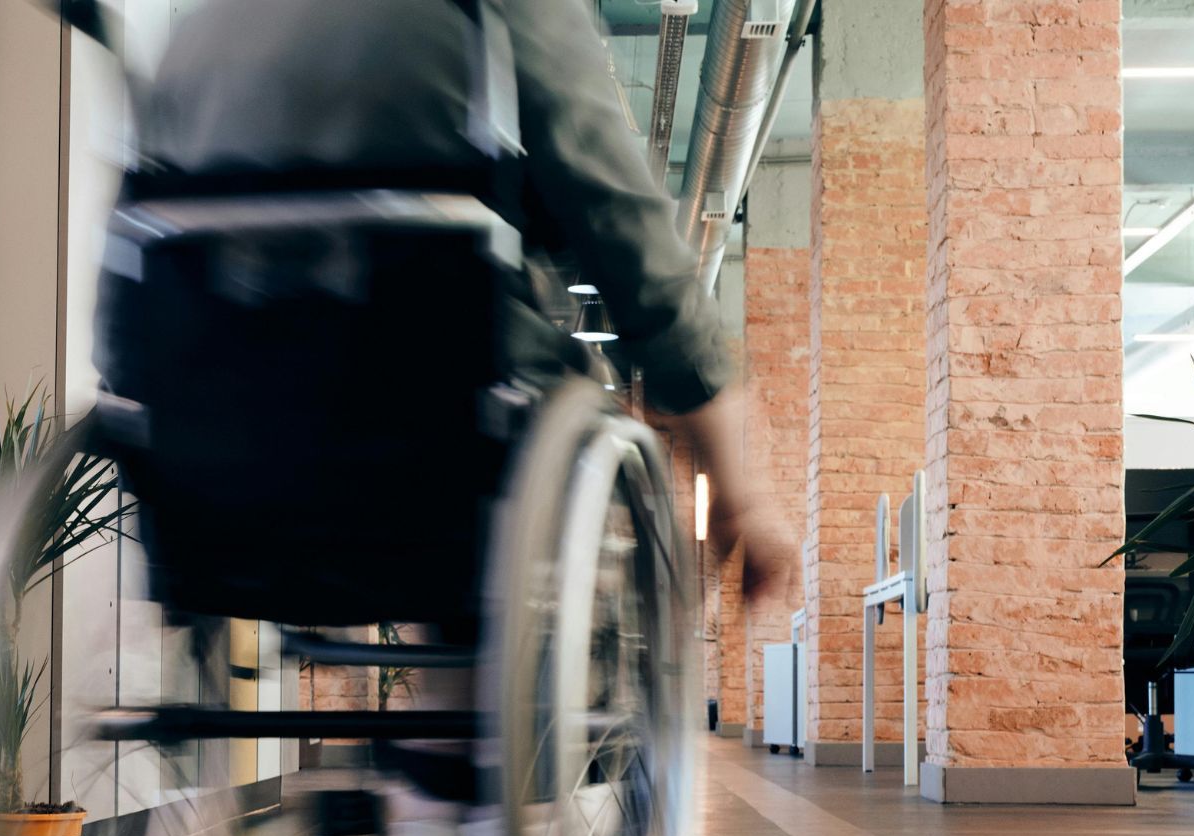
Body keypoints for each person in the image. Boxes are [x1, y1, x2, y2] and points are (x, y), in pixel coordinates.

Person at [66, 0, 797, 604]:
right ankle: (454, 752)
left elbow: (132, 251)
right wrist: (739, 488)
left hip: (216, 459)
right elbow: (629, 237)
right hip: (433, 443)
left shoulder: (199, 22)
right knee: (501, 395)